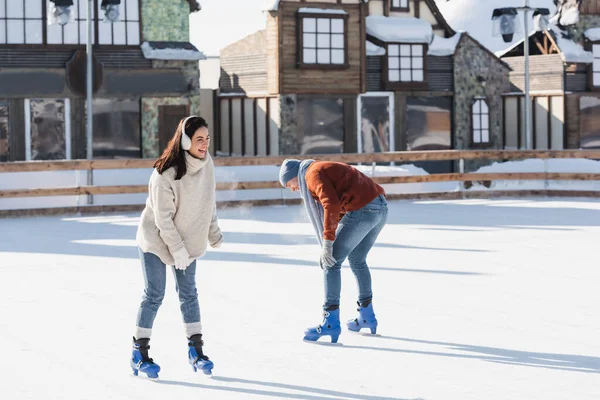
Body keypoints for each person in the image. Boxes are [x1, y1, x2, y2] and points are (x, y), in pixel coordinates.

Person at [131, 116, 224, 379]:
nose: (205, 144)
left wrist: (213, 232)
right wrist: (178, 250)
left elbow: (209, 202)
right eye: (199, 139)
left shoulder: (207, 165)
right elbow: (162, 220)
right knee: (154, 294)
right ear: (185, 141)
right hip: (157, 240)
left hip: (187, 238)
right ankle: (139, 352)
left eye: (207, 139)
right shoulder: (164, 173)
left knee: (189, 294)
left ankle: (196, 351)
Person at [279, 159, 388, 343]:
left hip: (364, 209)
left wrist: (328, 243)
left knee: (330, 262)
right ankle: (367, 316)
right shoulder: (318, 168)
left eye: (288, 184)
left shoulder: (311, 174)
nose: (292, 189)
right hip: (380, 208)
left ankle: (330, 322)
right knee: (357, 259)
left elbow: (331, 205)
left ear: (293, 176)